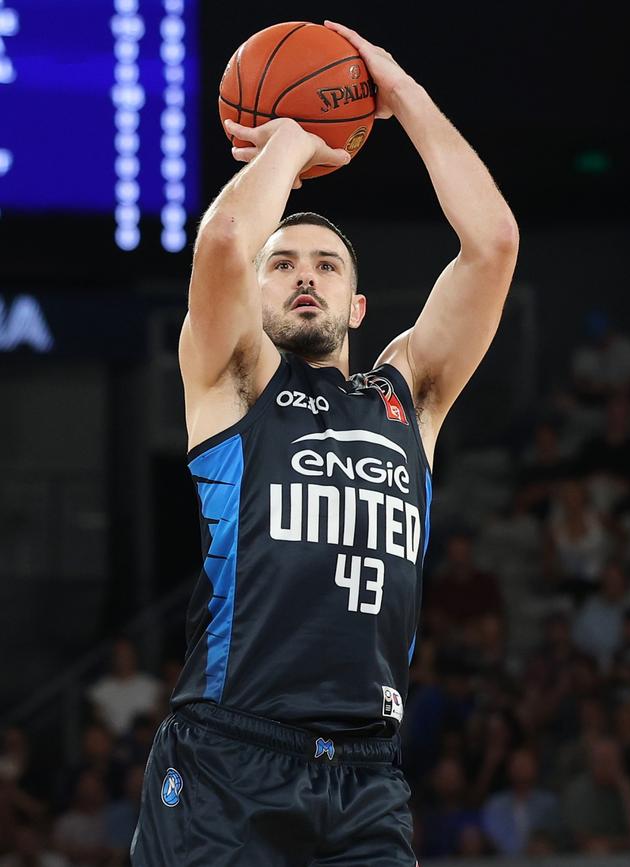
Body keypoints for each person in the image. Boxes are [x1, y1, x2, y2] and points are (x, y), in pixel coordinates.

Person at [131, 19, 519, 866]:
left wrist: (400, 92)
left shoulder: (405, 393)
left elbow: (491, 246)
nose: (304, 273)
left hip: (367, 774)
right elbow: (228, 242)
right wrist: (291, 143)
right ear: (258, 297)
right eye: (285, 264)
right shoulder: (233, 381)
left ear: (358, 308)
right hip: (228, 757)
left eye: (327, 264)